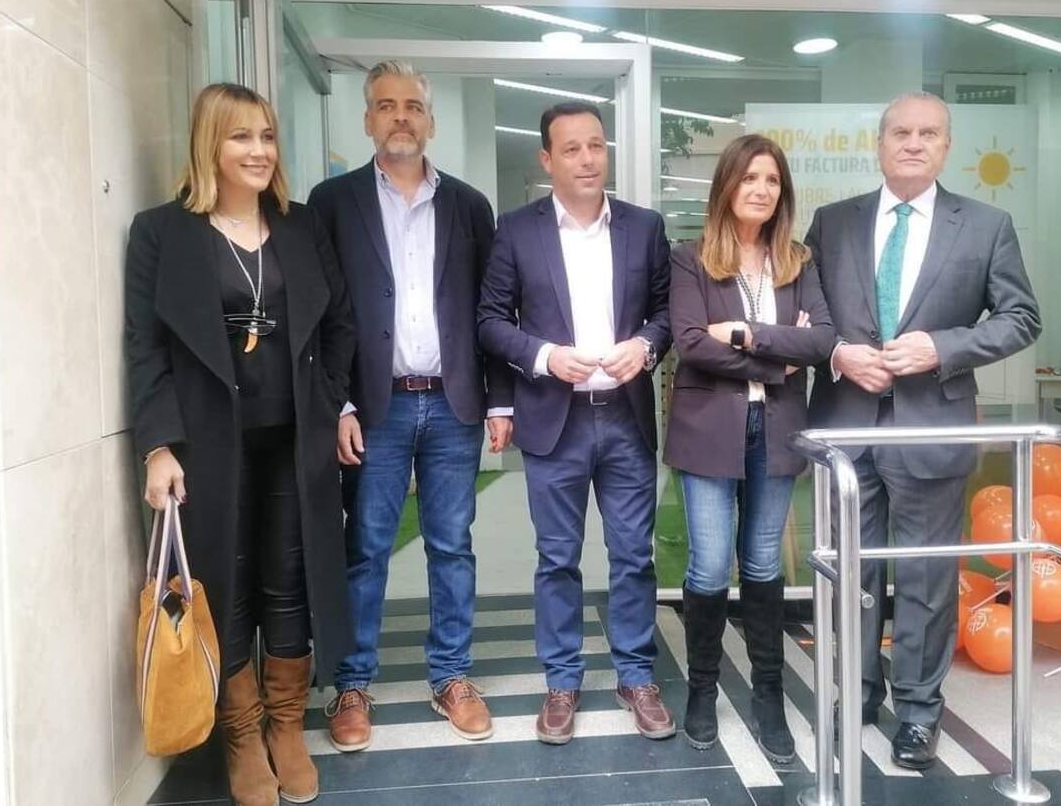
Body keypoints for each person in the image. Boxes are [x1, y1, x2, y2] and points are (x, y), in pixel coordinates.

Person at [125, 82, 355, 806]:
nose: (259, 151)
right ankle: (241, 734)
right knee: (223, 584)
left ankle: (287, 726)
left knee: (291, 578)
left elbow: (340, 324)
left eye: (267, 136)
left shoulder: (300, 224)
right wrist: (158, 445)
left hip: (295, 437)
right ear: (209, 144)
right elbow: (145, 346)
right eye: (241, 136)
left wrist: (330, 403)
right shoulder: (162, 233)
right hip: (206, 444)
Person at [805, 91, 1041, 769]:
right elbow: (809, 317)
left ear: (946, 146)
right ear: (880, 144)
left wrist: (943, 346)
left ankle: (917, 710)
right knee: (852, 572)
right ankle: (857, 692)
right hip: (847, 428)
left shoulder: (986, 225)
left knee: (926, 577)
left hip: (932, 427)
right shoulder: (833, 222)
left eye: (928, 133)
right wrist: (836, 353)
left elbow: (1021, 317)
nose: (913, 143)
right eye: (901, 132)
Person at [308, 60, 513, 749]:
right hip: (375, 408)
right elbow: (319, 313)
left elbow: (491, 311)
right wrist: (337, 405)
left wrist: (500, 401)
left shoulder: (469, 206)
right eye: (387, 105)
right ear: (367, 119)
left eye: (413, 106)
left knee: (452, 545)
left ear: (431, 121)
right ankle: (352, 684)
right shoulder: (331, 203)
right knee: (366, 547)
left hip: (453, 404)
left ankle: (451, 676)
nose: (401, 116)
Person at [476, 101, 673, 745]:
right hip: (552, 421)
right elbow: (490, 321)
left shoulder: (644, 227)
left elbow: (668, 312)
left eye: (596, 145)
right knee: (557, 557)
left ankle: (635, 675)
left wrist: (645, 346)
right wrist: (545, 357)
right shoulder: (516, 230)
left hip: (625, 420)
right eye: (571, 148)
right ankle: (561, 681)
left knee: (633, 556)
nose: (588, 159)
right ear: (547, 159)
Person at [664, 134, 836, 758]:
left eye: (772, 180)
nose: (761, 190)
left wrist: (740, 332)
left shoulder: (798, 260)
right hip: (709, 428)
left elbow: (820, 341)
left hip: (778, 428)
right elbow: (690, 342)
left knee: (763, 563)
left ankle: (768, 695)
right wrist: (775, 356)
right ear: (727, 186)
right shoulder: (690, 258)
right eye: (749, 178)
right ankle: (702, 692)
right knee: (710, 564)